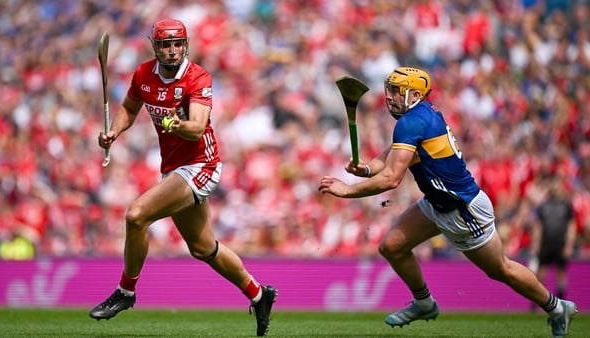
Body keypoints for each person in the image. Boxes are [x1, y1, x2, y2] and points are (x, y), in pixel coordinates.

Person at [318, 67, 577, 337]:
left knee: (501, 269)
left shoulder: (412, 122)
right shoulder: (420, 115)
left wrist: (347, 190)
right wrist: (368, 170)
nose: (390, 96)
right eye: (389, 89)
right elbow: (390, 154)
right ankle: (424, 303)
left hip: (463, 210)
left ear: (415, 94)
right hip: (437, 203)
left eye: (396, 91)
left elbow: (392, 179)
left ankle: (558, 308)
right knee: (392, 246)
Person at [91, 19, 277, 336]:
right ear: (155, 47)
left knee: (137, 216)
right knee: (203, 248)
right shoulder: (143, 75)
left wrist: (171, 124)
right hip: (173, 167)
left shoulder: (197, 77)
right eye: (165, 44)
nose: (173, 50)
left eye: (178, 44)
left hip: (201, 164)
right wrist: (113, 132)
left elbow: (197, 128)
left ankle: (126, 291)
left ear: (185, 45)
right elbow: (130, 109)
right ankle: (259, 295)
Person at [530, 176, 577, 301]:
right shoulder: (543, 205)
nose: (555, 188)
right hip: (546, 244)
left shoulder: (566, 205)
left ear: (561, 187)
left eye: (557, 185)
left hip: (560, 244)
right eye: (553, 185)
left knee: (561, 273)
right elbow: (538, 226)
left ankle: (562, 301)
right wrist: (535, 243)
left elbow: (571, 226)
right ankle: (538, 301)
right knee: (540, 274)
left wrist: (569, 245)